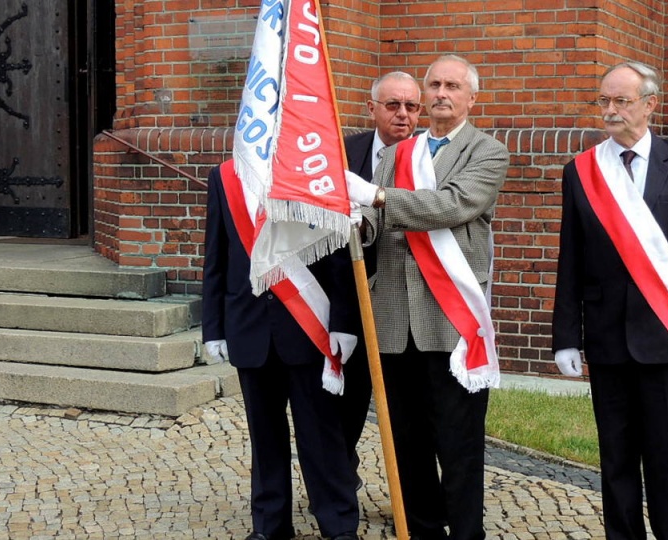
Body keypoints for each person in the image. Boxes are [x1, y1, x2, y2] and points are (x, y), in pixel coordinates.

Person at [551, 61, 668, 540]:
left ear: (650, 104)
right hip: (607, 342)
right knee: (616, 464)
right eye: (603, 100)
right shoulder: (582, 171)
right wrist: (566, 337)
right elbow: (572, 258)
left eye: (621, 101)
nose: (610, 110)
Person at [344, 55, 509, 540]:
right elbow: (375, 222)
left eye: (452, 86)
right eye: (434, 84)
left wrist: (376, 198)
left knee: (457, 443)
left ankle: (464, 533)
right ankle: (418, 529)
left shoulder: (487, 151)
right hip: (394, 316)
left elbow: (454, 204)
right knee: (406, 442)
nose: (440, 93)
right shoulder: (399, 153)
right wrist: (355, 217)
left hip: (451, 320)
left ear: (470, 98)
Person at [201, 163, 362, 540]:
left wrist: (342, 320)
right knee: (265, 435)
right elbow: (217, 254)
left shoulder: (312, 167)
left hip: (306, 325)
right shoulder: (225, 177)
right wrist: (214, 326)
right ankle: (270, 525)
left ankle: (338, 524)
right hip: (248, 323)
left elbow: (337, 251)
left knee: (321, 434)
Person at [341, 71, 422, 483]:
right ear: (371, 108)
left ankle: (411, 498)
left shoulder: (428, 158)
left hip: (404, 304)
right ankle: (339, 489)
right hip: (347, 297)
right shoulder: (342, 152)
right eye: (393, 105)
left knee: (406, 410)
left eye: (412, 106)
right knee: (342, 405)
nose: (403, 115)